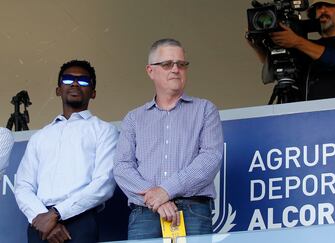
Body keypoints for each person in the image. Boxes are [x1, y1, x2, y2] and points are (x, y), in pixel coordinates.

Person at [113, 38, 224, 240]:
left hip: (193, 210)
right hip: (145, 211)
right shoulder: (133, 118)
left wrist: (166, 190)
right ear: (150, 71)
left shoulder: (205, 109)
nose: (175, 69)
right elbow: (122, 167)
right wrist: (157, 197)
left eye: (181, 64)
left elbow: (210, 158)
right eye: (167, 64)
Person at [14, 60, 118, 243]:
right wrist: (43, 217)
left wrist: (56, 214)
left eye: (84, 81)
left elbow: (104, 184)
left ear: (93, 93)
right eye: (68, 79)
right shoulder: (40, 136)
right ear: (58, 89)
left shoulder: (104, 130)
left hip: (80, 221)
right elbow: (23, 185)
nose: (75, 84)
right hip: (39, 222)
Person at [248, 0, 335, 100]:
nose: (322, 10)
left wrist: (297, 41)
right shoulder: (305, 45)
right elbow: (276, 68)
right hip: (308, 118)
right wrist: (257, 46)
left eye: (328, 5)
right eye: (318, 7)